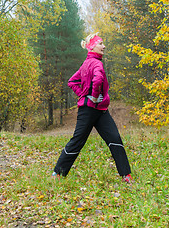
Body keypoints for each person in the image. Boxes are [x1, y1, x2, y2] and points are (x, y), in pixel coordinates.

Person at [52, 33, 132, 183]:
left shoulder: (86, 63)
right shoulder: (96, 63)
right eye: (101, 43)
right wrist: (93, 96)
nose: (104, 46)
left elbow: (72, 82)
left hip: (100, 111)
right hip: (89, 110)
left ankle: (126, 175)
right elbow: (98, 79)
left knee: (112, 138)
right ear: (92, 47)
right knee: (81, 140)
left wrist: (84, 95)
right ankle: (57, 173)